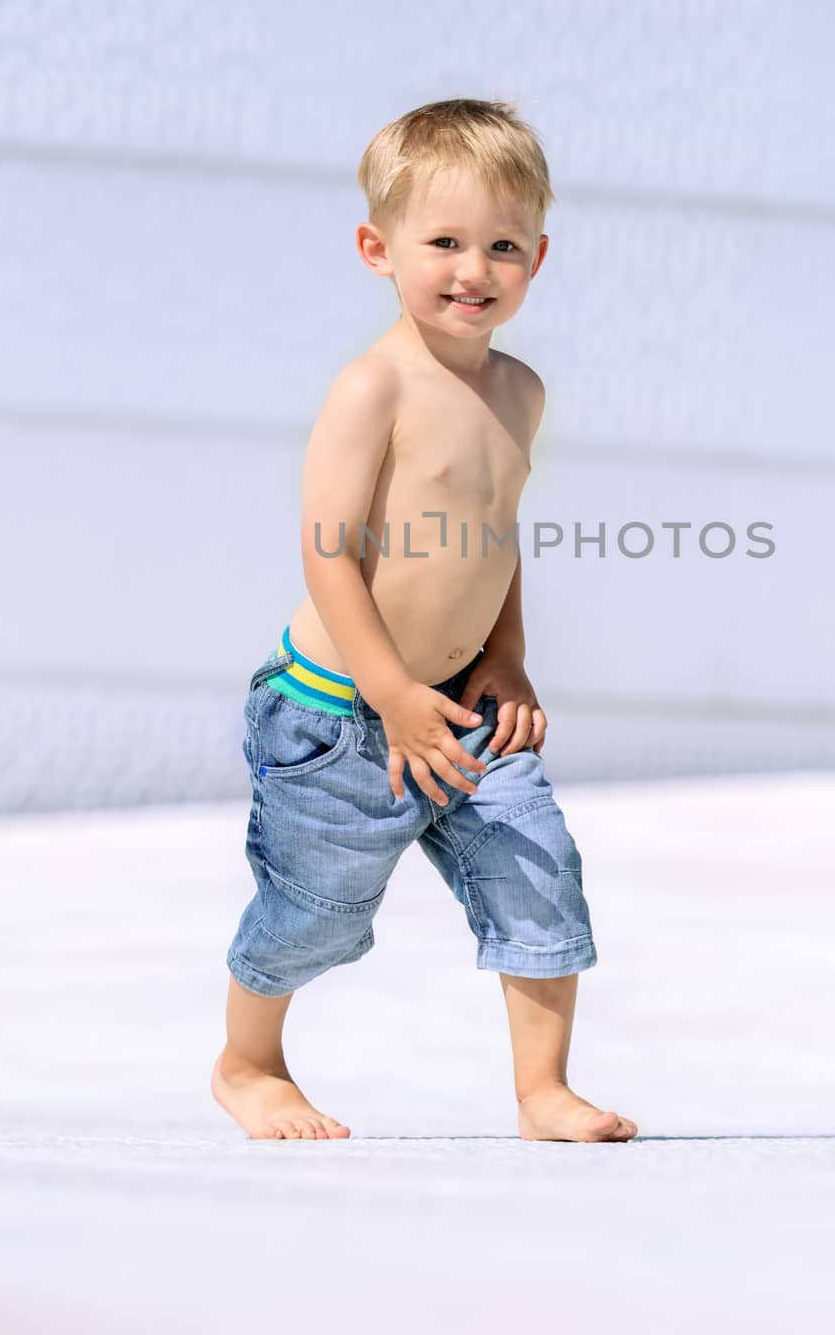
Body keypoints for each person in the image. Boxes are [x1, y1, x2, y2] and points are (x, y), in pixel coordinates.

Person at [211, 97, 639, 1143]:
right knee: (316, 909)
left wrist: (508, 658)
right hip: (342, 714)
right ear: (378, 248)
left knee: (539, 871)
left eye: (502, 245)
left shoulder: (521, 392)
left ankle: (543, 1090)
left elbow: (495, 536)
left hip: (463, 709)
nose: (473, 268)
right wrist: (393, 693)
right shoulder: (375, 386)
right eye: (443, 241)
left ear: (538, 255)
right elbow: (330, 554)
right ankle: (249, 1060)